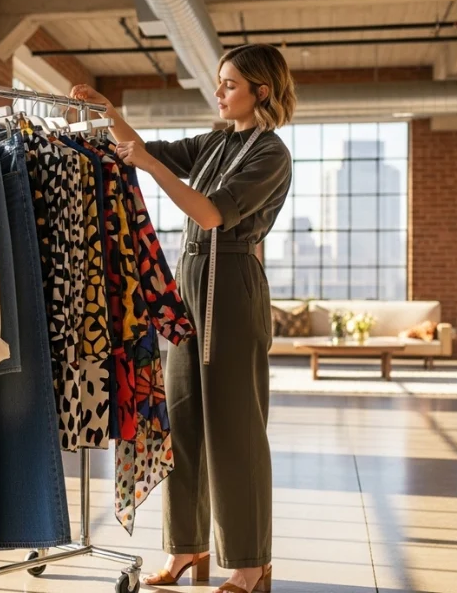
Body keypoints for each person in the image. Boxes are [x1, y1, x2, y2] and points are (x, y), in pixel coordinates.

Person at [71, 43, 296, 593]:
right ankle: (186, 547)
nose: (218, 92)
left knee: (236, 432)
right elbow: (142, 147)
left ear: (261, 91)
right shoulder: (216, 143)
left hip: (234, 290)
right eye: (220, 82)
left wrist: (146, 166)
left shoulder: (272, 154)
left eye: (229, 84)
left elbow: (211, 213)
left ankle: (250, 560)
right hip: (186, 286)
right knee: (183, 423)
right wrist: (108, 113)